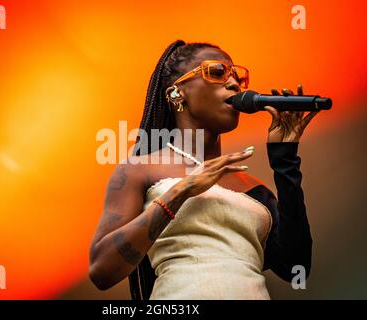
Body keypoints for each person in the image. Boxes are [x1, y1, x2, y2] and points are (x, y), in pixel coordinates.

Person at [89, 40, 320, 299]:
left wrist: (285, 162)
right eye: (217, 72)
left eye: (237, 77)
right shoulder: (139, 170)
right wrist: (182, 190)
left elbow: (295, 268)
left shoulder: (255, 190)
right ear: (177, 93)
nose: (233, 83)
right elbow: (102, 270)